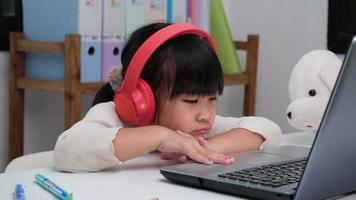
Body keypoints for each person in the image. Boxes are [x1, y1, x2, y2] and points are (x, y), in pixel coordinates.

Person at [54, 23, 282, 172]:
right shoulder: (112, 115)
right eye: (191, 101)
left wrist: (205, 148)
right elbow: (66, 151)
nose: (206, 115)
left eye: (212, 98)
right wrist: (160, 137)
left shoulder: (199, 129)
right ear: (141, 99)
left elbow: (268, 130)